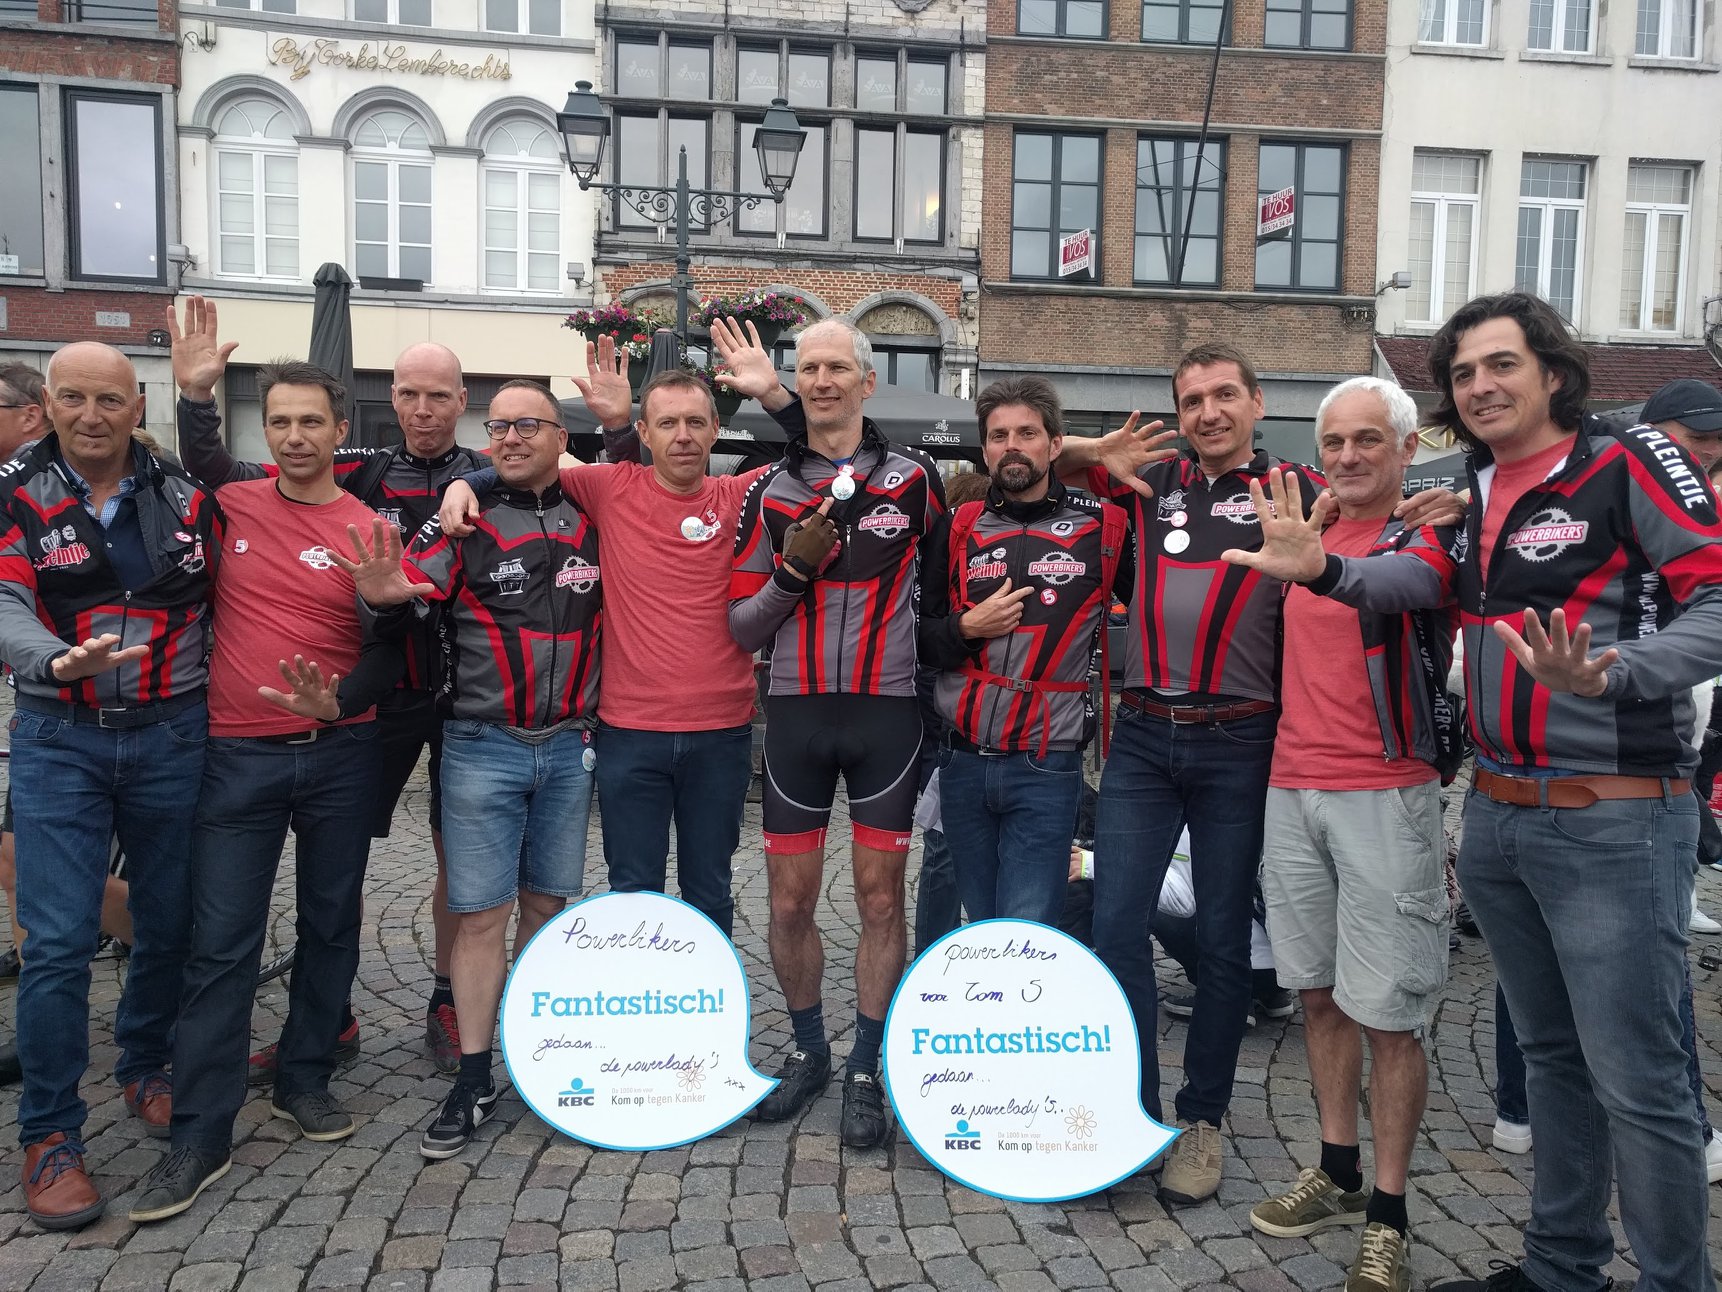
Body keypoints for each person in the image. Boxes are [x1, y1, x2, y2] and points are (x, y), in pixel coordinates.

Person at [1292, 292, 1720, 1292]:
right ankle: (1562, 1266)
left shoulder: (1626, 461)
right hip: (1497, 810)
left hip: (1614, 811)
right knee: (1552, 1059)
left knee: (1640, 1079)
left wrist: (1617, 674)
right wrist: (1325, 572)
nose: (1481, 385)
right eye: (1464, 372)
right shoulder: (1469, 488)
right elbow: (1414, 587)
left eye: (1501, 364)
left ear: (1553, 371)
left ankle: (1676, 1280)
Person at [170, 297, 487, 1073]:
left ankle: (447, 1002)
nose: (421, 408)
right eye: (408, 393)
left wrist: (479, 479)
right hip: (373, 694)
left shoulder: (489, 474)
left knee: (458, 861)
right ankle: (332, 1018)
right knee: (341, 869)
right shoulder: (358, 468)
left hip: (464, 697)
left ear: (461, 402)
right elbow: (227, 476)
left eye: (437, 395)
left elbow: (576, 479)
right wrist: (197, 402)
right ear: (390, 400)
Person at [128, 361, 388, 1222]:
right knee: (222, 943)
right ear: (265, 430)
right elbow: (176, 470)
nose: (295, 436)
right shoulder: (230, 505)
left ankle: (304, 1076)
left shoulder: (368, 529)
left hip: (341, 753)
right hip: (238, 756)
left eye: (311, 421)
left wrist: (341, 700)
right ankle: (201, 1132)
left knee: (331, 923)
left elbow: (393, 648)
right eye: (280, 422)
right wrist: (195, 395)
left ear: (339, 429)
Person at [1217, 377, 1460, 1291]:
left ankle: (1390, 1214)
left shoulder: (1424, 533)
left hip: (1385, 794)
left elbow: (1408, 587)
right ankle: (1338, 1170)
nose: (1349, 456)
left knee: (1389, 1015)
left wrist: (1319, 569)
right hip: (1291, 786)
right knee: (1316, 994)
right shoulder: (1305, 524)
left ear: (1406, 450)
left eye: (1368, 440)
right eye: (1334, 442)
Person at [1076, 342, 1329, 1205]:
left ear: (1258, 402)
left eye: (1225, 395)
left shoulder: (1293, 489)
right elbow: (1026, 456)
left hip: (1240, 740)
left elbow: (1373, 523)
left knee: (1222, 938)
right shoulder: (1150, 483)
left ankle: (1202, 1119)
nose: (1209, 413)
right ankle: (1134, 1111)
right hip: (1145, 738)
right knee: (1116, 927)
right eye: (1192, 400)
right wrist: (1090, 449)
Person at [440, 327, 771, 937]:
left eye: (695, 423)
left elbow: (824, 465)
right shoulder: (610, 487)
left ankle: (707, 998)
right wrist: (465, 482)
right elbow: (527, 467)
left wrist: (775, 394)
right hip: (629, 732)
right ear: (644, 433)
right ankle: (639, 996)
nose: (682, 436)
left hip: (721, 732)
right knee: (632, 890)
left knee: (710, 887)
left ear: (715, 431)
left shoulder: (739, 495)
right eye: (667, 423)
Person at [0, 343, 218, 1230]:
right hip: (61, 736)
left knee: (168, 922)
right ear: (49, 404)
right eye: (74, 398)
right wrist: (53, 659)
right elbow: (4, 602)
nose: (91, 416)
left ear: (138, 407)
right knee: (56, 942)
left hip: (174, 733)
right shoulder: (15, 493)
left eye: (109, 400)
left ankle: (145, 1062)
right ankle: (50, 1134)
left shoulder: (187, 497)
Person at [355, 379, 602, 1161]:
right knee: (482, 917)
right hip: (481, 744)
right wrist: (381, 598)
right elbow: (400, 592)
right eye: (497, 427)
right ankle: (472, 1077)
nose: (511, 437)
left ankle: (538, 1058)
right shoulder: (462, 518)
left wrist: (482, 473)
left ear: (562, 437)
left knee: (547, 909)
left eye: (528, 425)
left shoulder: (595, 512)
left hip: (569, 745)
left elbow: (641, 467)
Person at [724, 318, 946, 1148]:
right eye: (808, 368)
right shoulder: (766, 489)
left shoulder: (917, 480)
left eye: (836, 368)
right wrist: (793, 572)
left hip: (888, 713)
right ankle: (810, 1050)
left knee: (882, 898)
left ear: (866, 381)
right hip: (797, 715)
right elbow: (743, 627)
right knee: (789, 902)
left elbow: (949, 587)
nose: (822, 380)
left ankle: (866, 1068)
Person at [917, 375, 1128, 925]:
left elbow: (1161, 604)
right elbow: (920, 639)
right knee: (985, 923)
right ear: (984, 449)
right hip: (962, 761)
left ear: (1055, 445)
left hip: (1047, 761)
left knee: (1028, 925)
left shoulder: (1103, 526)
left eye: (1027, 433)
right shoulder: (958, 527)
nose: (1012, 446)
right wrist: (966, 628)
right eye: (998, 435)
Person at [910, 471, 990, 960]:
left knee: (945, 854)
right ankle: (933, 957)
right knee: (944, 853)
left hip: (947, 725)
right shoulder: (943, 566)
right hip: (950, 730)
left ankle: (938, 951)